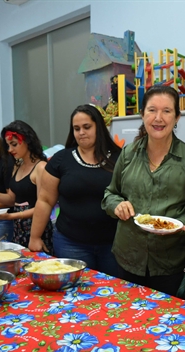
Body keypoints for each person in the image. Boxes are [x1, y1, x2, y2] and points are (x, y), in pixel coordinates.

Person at [102, 85, 185, 296]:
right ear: (142, 115)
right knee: (127, 319)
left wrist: (182, 224)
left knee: (167, 325)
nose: (158, 118)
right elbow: (109, 194)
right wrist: (117, 206)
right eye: (152, 110)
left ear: (177, 117)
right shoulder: (128, 153)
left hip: (169, 264)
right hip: (127, 257)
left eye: (166, 111)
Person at [29, 104, 122, 275]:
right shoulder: (61, 160)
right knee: (77, 297)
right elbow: (45, 200)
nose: (81, 132)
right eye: (76, 128)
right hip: (71, 244)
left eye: (87, 127)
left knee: (112, 297)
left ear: (99, 128)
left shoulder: (119, 158)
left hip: (114, 245)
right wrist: (35, 237)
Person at [0, 120, 53, 251]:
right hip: (18, 229)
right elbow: (11, 199)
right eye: (8, 145)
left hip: (36, 229)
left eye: (14, 144)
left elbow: (42, 208)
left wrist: (11, 216)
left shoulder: (41, 168)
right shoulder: (17, 166)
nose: (10, 150)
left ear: (28, 141)